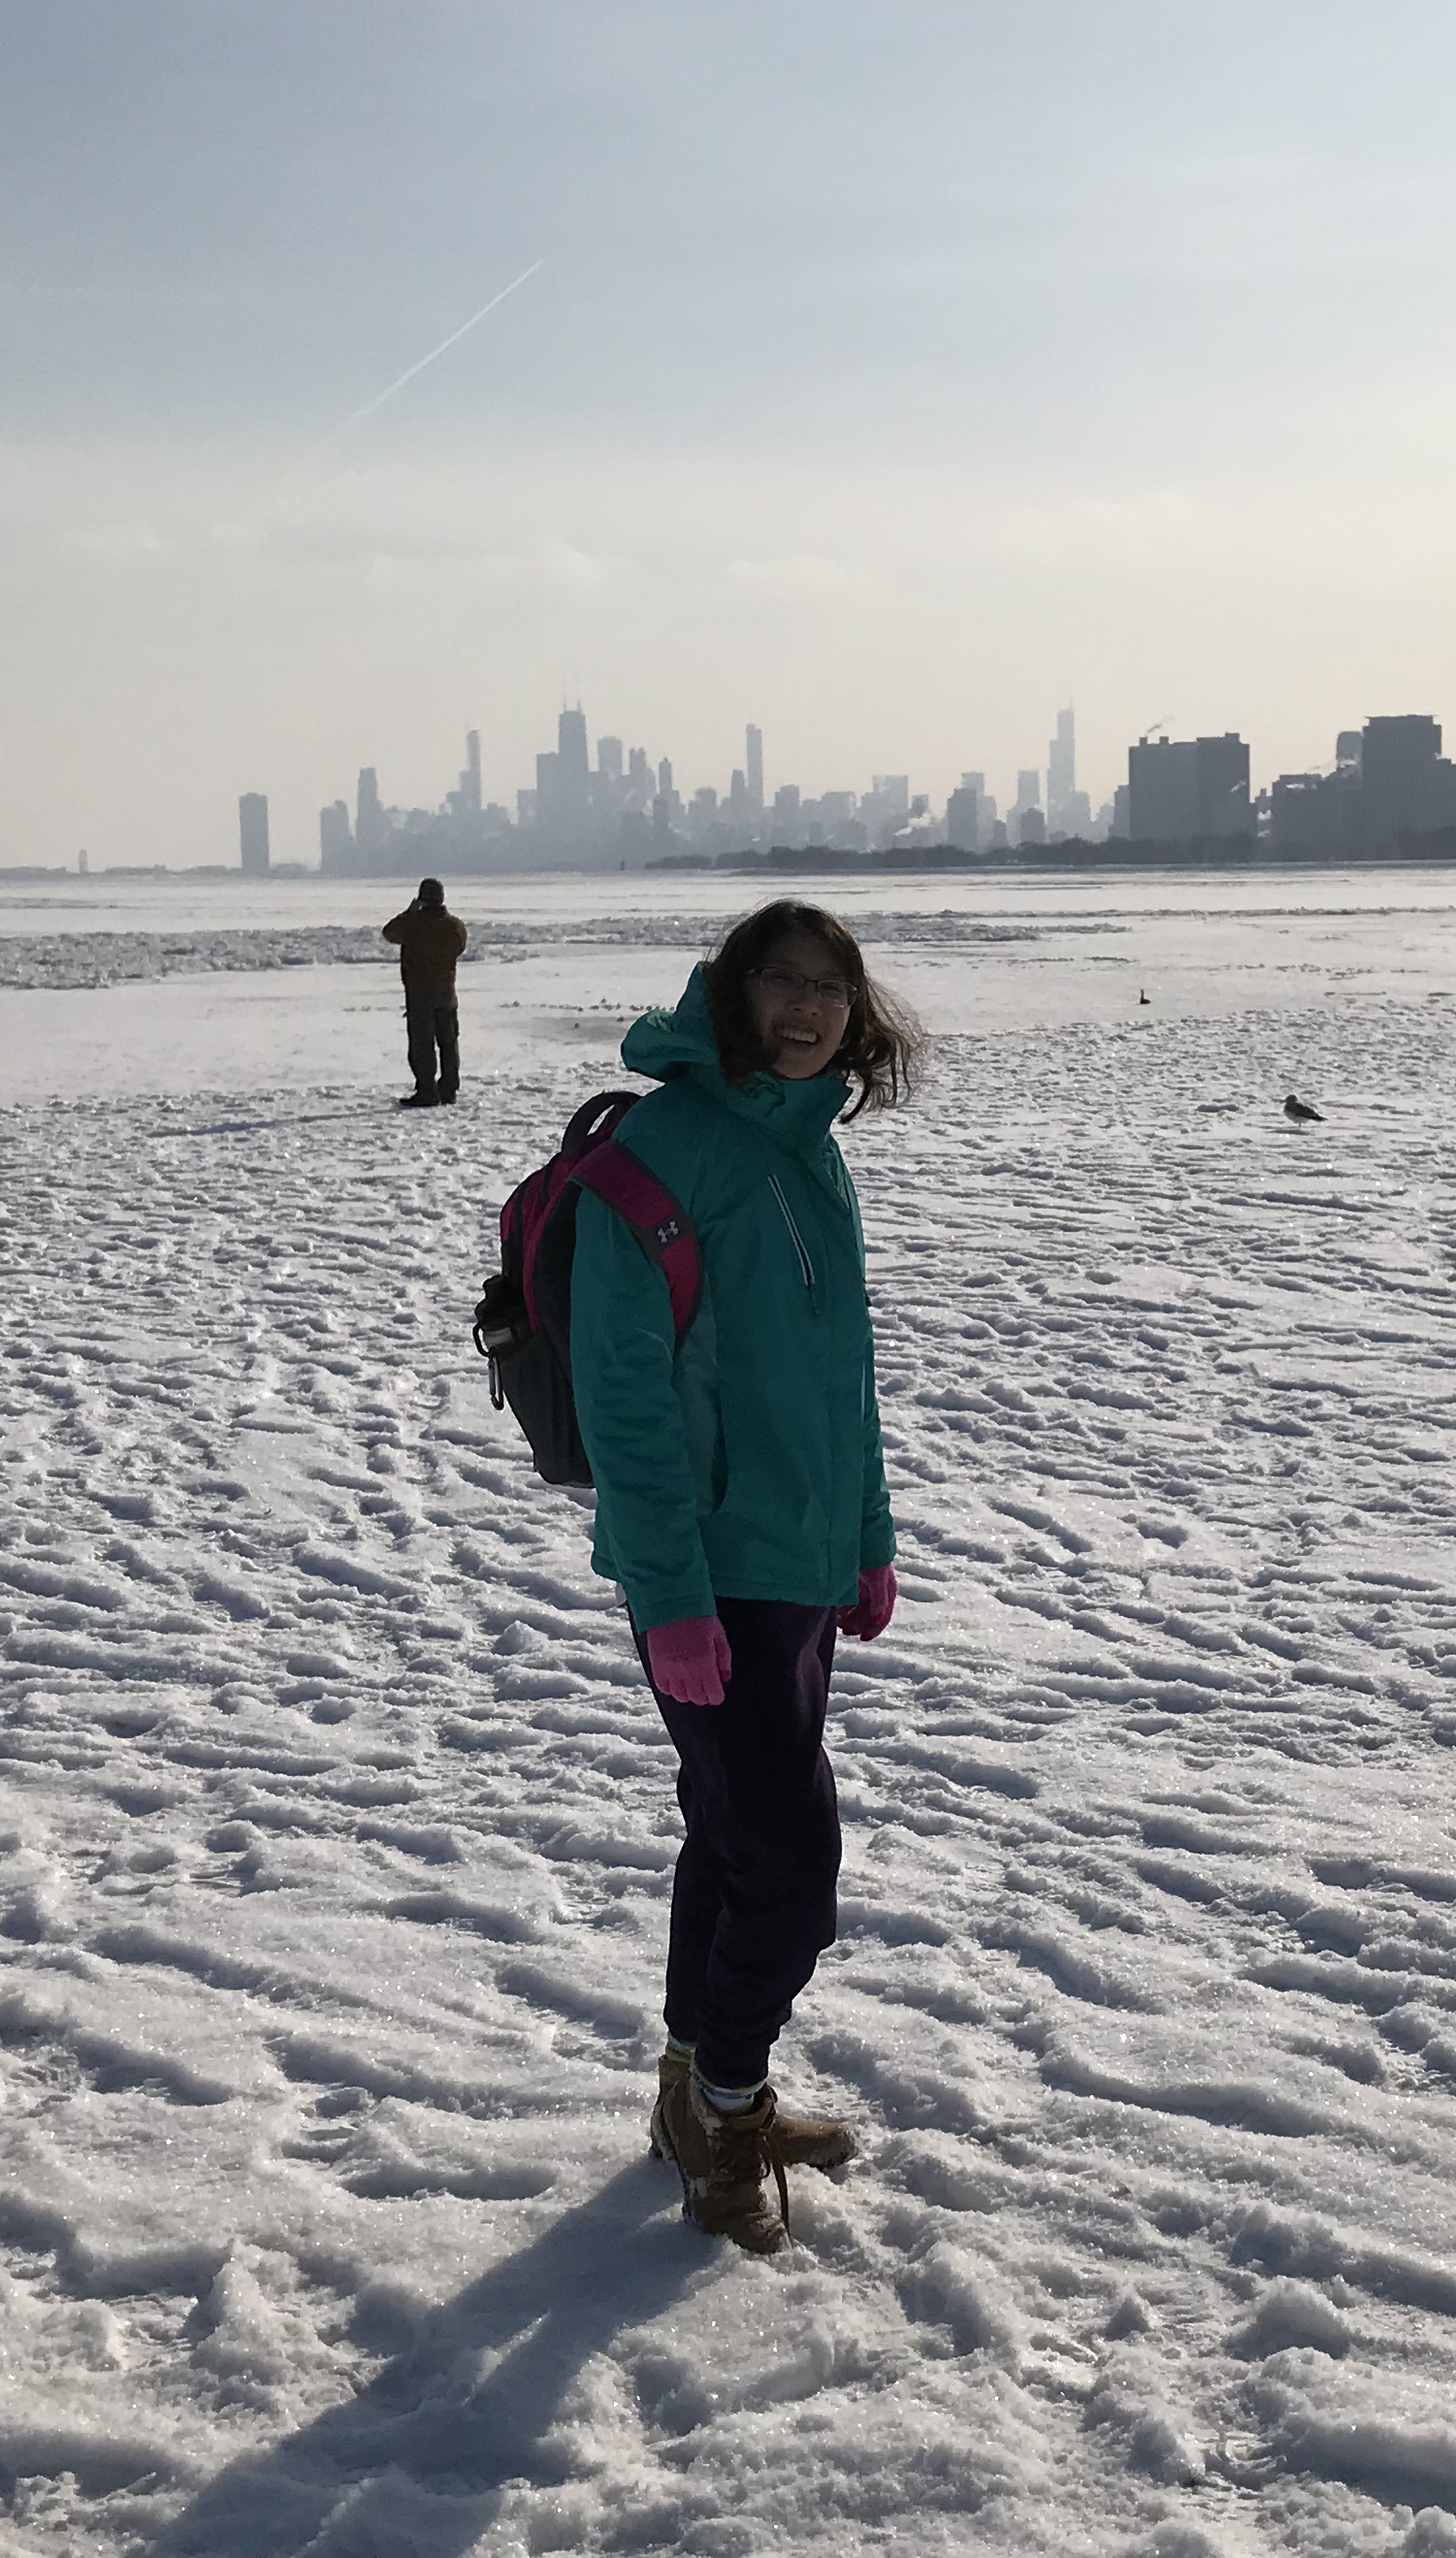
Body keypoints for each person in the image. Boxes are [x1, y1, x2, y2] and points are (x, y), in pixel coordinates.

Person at [566, 899, 921, 2253]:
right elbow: (626, 1401)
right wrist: (669, 1600)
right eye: (780, 980)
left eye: (832, 986)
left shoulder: (803, 1147)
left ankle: (695, 2092)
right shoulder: (660, 1158)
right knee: (792, 1869)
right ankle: (726, 2103)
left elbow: (845, 1381)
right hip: (711, 1575)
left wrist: (867, 1537)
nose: (808, 1008)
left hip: (799, 1564)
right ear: (729, 991)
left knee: (732, 1837)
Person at [379, 879, 469, 1107]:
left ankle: (427, 1090)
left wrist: (409, 912)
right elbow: (460, 948)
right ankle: (448, 1089)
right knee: (448, 1043)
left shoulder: (414, 925)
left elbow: (389, 933)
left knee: (422, 1045)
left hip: (420, 993)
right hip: (447, 992)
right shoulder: (455, 926)